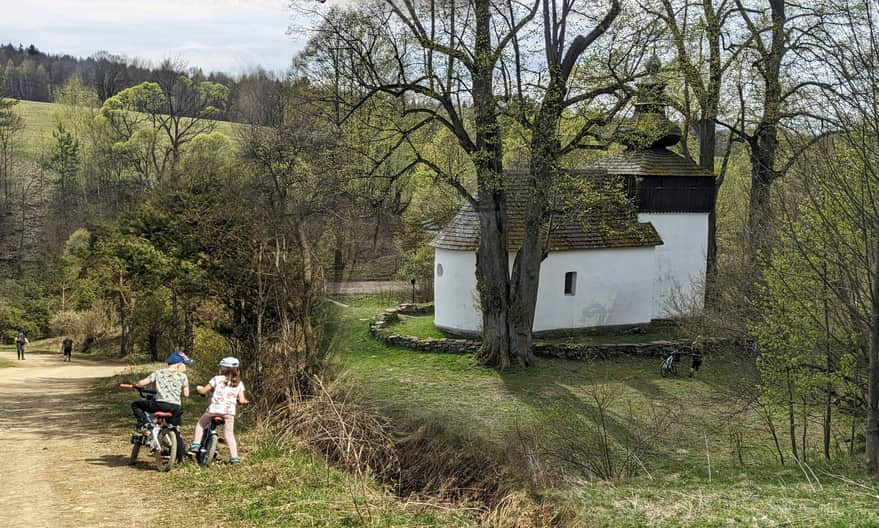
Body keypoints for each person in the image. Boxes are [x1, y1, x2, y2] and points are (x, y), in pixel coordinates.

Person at [189, 356, 248, 464]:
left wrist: (199, 389)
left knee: (200, 424)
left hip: (214, 409)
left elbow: (204, 391)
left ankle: (196, 444)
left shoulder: (216, 379)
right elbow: (242, 399)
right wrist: (242, 401)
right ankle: (234, 457)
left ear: (222, 368)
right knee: (229, 434)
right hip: (229, 412)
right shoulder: (239, 383)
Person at [130, 351, 193, 431]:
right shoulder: (183, 376)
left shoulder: (159, 372)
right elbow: (186, 394)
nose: (186, 367)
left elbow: (142, 383)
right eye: (185, 364)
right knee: (175, 429)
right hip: (175, 407)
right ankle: (178, 441)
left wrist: (137, 385)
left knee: (136, 405)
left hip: (159, 404)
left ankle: (144, 423)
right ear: (179, 365)